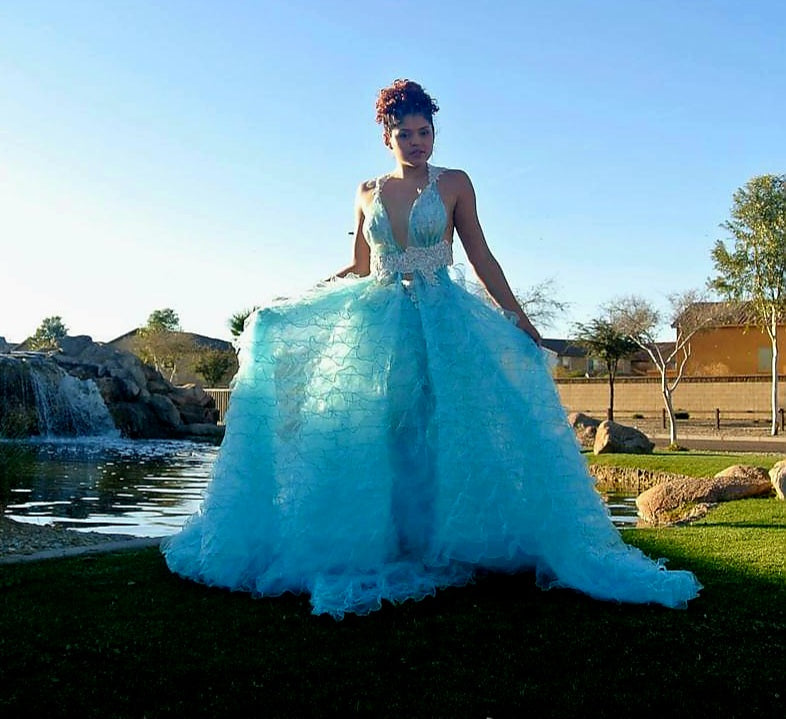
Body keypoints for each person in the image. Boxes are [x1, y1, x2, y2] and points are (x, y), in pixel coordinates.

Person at [162, 79, 701, 618]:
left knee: (445, 429)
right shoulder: (366, 191)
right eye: (406, 133)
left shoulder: (456, 183)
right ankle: (390, 540)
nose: (418, 142)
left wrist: (522, 321)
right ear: (386, 136)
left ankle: (449, 538)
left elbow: (482, 257)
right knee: (381, 431)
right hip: (378, 325)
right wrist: (294, 306)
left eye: (426, 131)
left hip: (444, 324)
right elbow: (358, 265)